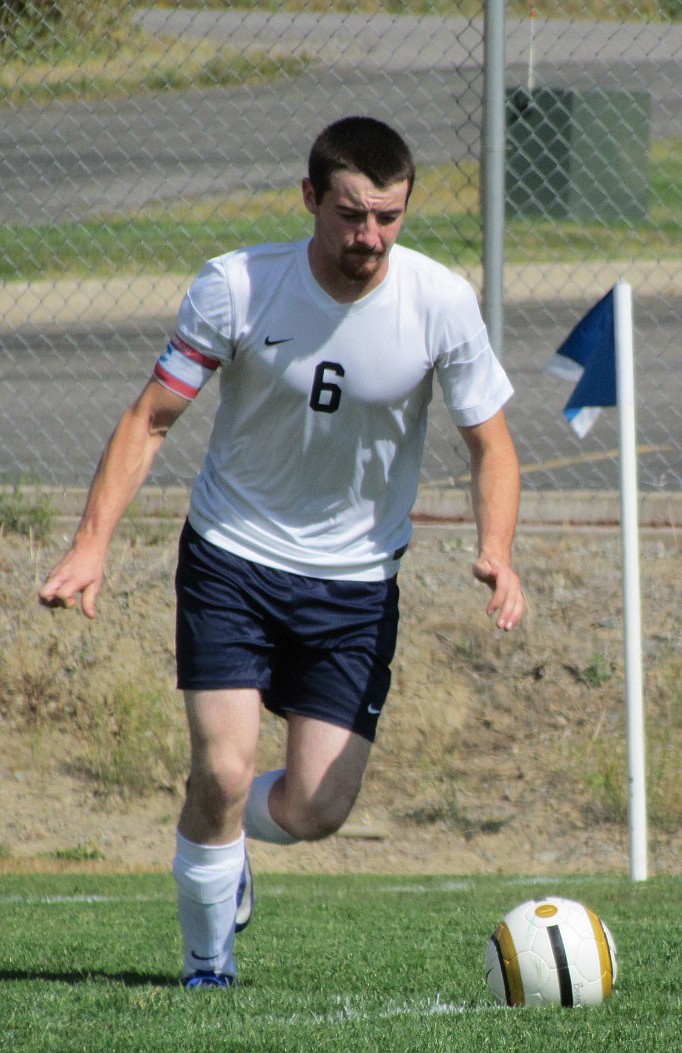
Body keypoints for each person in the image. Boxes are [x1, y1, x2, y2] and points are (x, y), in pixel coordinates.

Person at [39, 116, 525, 988]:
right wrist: (90, 546)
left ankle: (225, 844)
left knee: (316, 807)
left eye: (388, 217)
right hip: (233, 555)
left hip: (357, 584)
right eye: (350, 214)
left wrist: (498, 550)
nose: (369, 238)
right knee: (220, 770)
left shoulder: (440, 300)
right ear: (310, 198)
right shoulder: (236, 287)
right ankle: (206, 962)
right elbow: (150, 419)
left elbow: (492, 442)